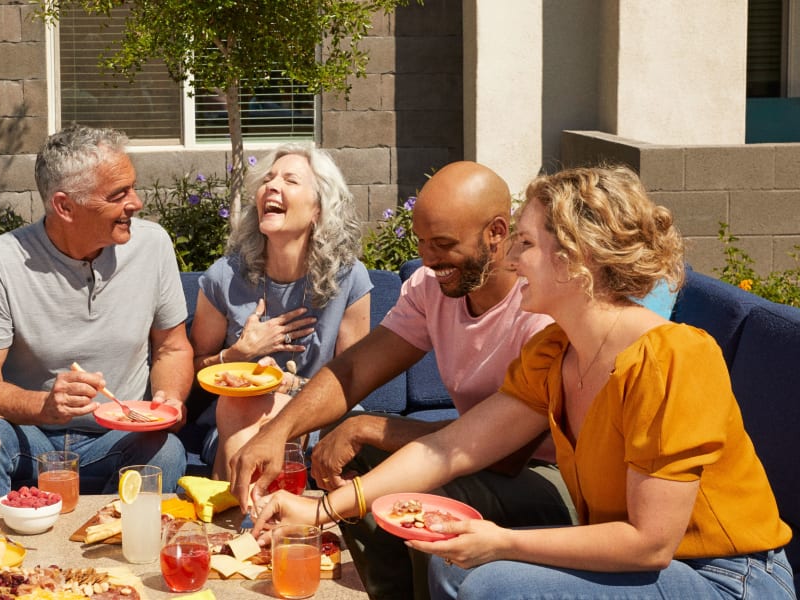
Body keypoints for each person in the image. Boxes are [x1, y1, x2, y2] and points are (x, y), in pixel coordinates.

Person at [253, 165, 796, 599]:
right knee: (454, 562)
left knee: (491, 580)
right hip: (651, 566)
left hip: (725, 577)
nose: (511, 259)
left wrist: (501, 542)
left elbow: (651, 545)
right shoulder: (554, 353)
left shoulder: (674, 358)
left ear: (578, 258)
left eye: (525, 244)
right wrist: (320, 509)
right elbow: (451, 447)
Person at [230, 161, 576, 598]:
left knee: (417, 487)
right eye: (422, 242)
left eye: (444, 244)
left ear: (496, 232)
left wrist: (368, 428)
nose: (429, 259)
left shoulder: (540, 310)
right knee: (349, 438)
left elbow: (502, 450)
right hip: (471, 452)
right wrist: (276, 433)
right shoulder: (432, 286)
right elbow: (356, 369)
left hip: (550, 475)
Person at [0, 124, 192, 495]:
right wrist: (44, 405)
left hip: (119, 439)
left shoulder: (153, 245)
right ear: (65, 206)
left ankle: (128, 545)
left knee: (165, 452)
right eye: (119, 195)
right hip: (30, 439)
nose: (136, 203)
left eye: (132, 187)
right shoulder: (0, 260)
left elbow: (172, 347)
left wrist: (170, 399)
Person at [189, 142, 372, 480]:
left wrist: (289, 387)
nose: (271, 186)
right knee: (246, 414)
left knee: (355, 435)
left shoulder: (349, 278)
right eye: (268, 180)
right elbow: (193, 372)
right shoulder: (223, 278)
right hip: (242, 418)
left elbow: (355, 381)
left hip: (321, 417)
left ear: (318, 208)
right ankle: (243, 521)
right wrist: (237, 355)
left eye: (290, 181)